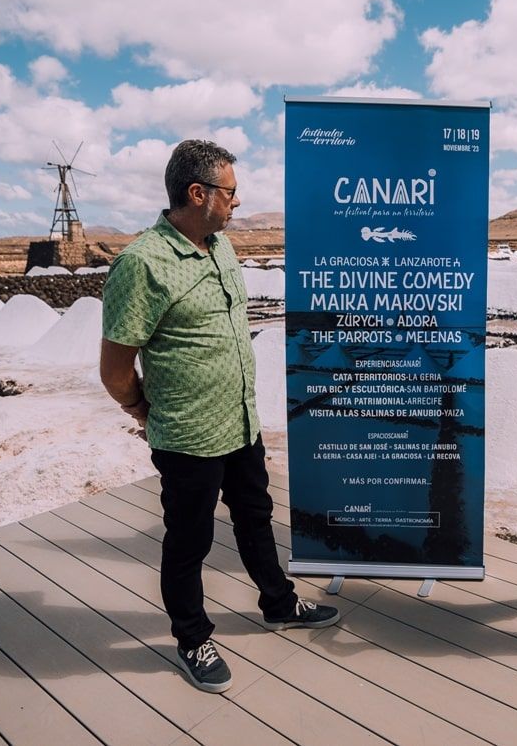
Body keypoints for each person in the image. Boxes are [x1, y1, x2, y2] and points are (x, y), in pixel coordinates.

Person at [100, 139, 339, 693]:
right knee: (189, 540)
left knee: (255, 516)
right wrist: (141, 408)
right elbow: (115, 368)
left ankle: (278, 603)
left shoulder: (220, 247)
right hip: (187, 435)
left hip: (240, 424)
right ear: (197, 193)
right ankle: (192, 637)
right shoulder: (142, 264)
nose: (237, 202)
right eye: (230, 192)